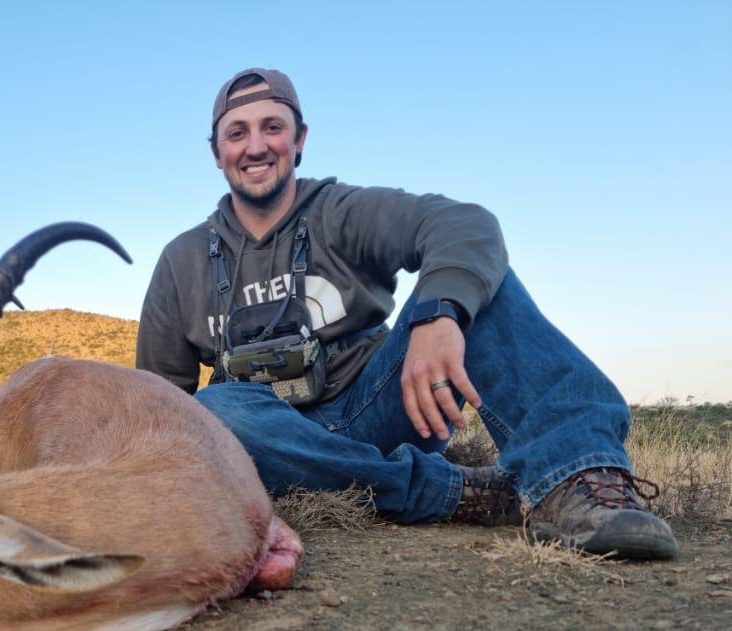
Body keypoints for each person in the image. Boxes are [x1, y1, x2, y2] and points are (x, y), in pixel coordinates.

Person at [136, 67, 678, 560]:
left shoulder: (341, 211)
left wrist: (439, 316)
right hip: (271, 441)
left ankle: (579, 481)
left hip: (381, 413)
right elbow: (158, 407)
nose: (256, 146)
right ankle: (452, 491)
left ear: (299, 140)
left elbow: (466, 225)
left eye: (272, 127)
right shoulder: (180, 261)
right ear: (216, 152)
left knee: (474, 282)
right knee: (217, 412)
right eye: (237, 133)